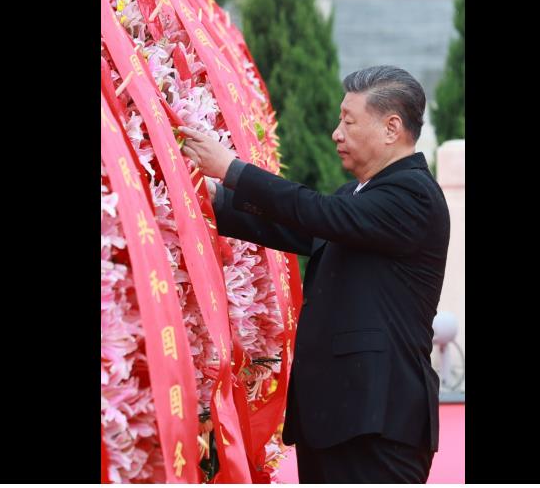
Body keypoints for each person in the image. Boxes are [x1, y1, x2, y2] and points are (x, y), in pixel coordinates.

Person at [180, 65, 450, 483]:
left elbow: (318, 212)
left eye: (349, 121)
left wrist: (232, 169)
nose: (336, 133)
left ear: (391, 128)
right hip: (334, 417)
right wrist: (213, 197)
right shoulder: (357, 197)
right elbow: (294, 226)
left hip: (379, 419)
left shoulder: (414, 195)